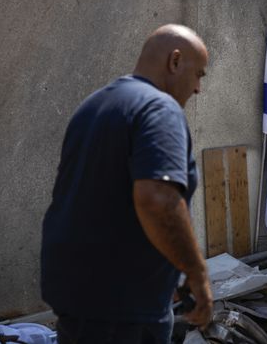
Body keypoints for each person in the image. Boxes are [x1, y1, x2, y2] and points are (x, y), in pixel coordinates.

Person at [40, 24, 213, 344]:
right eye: (199, 74)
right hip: (122, 311)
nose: (198, 88)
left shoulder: (93, 105)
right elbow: (158, 199)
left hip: (78, 298)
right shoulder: (160, 109)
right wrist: (196, 272)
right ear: (175, 62)